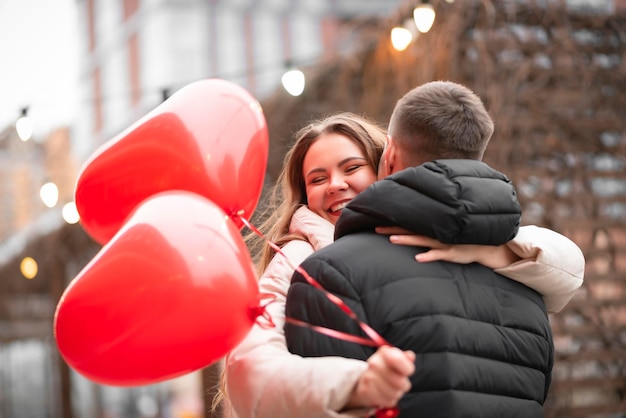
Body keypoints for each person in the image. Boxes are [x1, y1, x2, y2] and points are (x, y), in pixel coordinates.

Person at [224, 109, 584, 417]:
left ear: (386, 163)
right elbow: (250, 366)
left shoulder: (450, 236)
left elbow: (568, 267)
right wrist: (355, 385)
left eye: (351, 167)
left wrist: (494, 250)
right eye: (317, 179)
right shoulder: (298, 259)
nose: (334, 185)